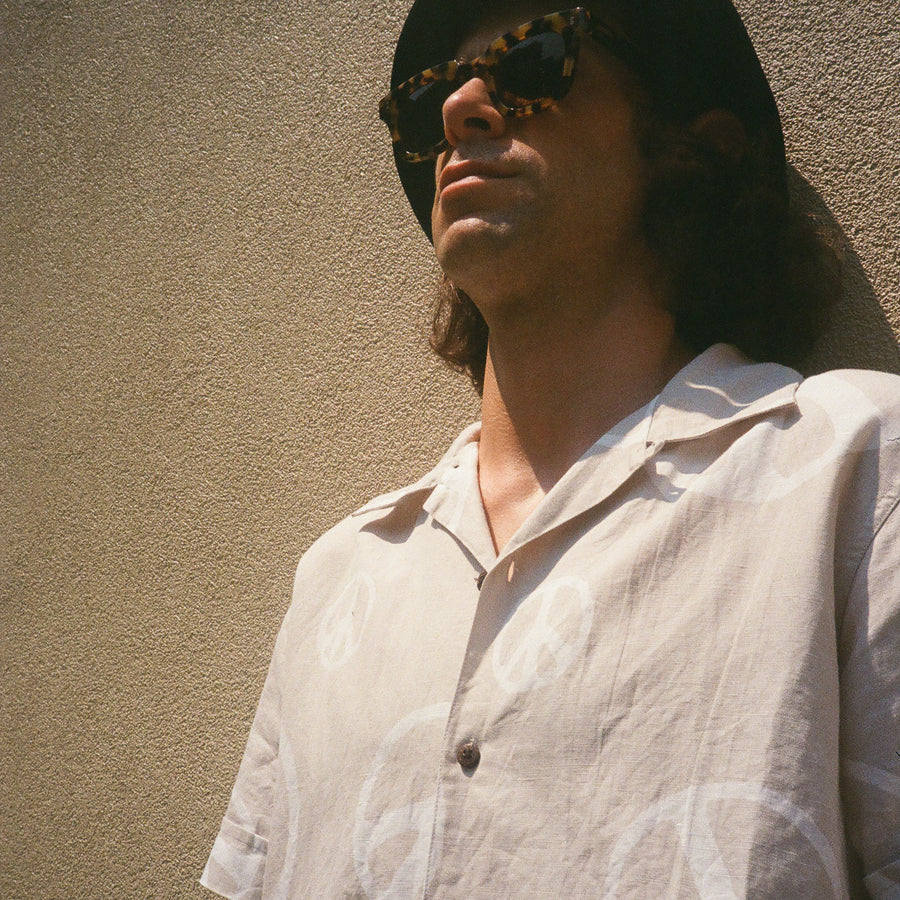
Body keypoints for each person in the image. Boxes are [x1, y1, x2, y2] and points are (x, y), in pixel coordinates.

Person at [202, 0, 900, 896]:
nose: (461, 110)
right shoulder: (342, 574)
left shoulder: (858, 472)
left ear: (697, 143)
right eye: (428, 103)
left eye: (531, 59)